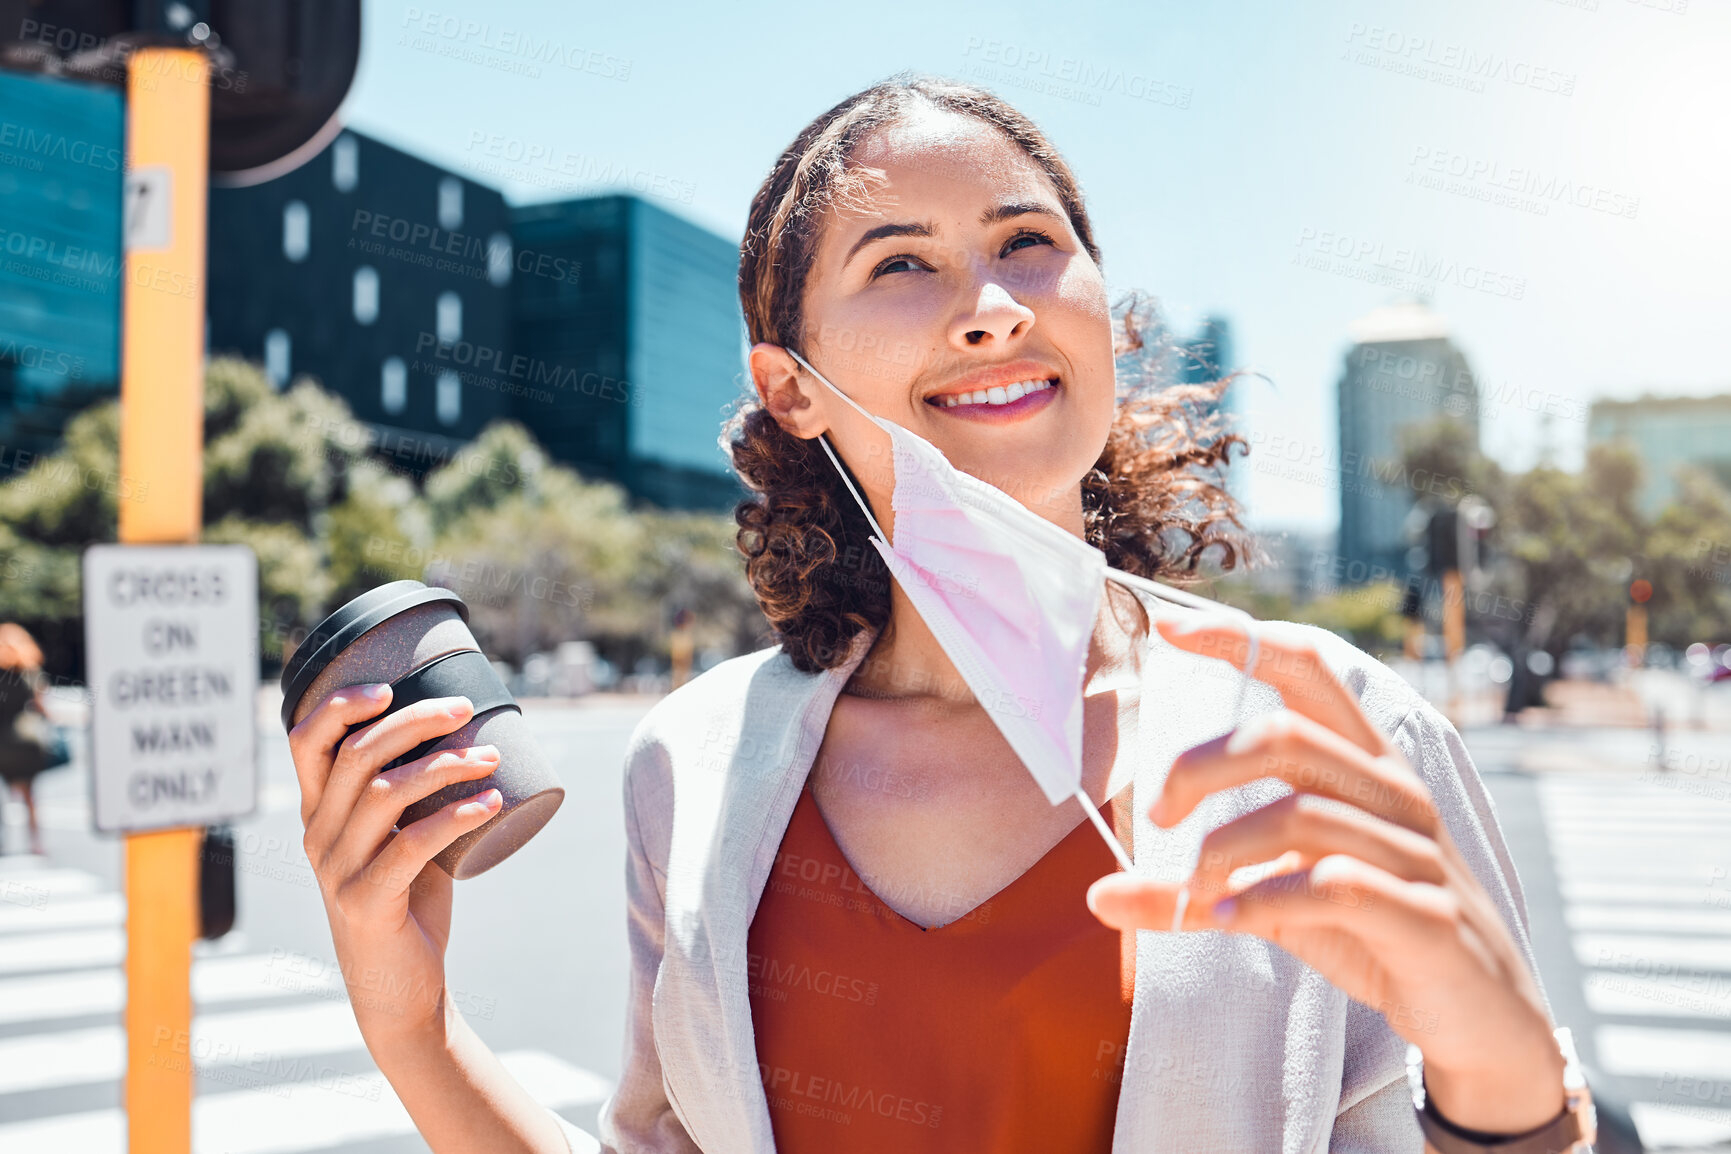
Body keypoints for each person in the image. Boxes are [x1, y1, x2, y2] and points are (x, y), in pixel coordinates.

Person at [287, 74, 1586, 1152]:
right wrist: (415, 1028)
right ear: (787, 388)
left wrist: (1504, 1074)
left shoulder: (1338, 724)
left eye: (1028, 243)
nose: (994, 305)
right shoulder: (688, 765)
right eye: (900, 261)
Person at [0, 622, 51, 857]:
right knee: (30, 796)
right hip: (26, 741)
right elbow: (43, 707)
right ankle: (35, 843)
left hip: (2, 740)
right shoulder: (31, 672)